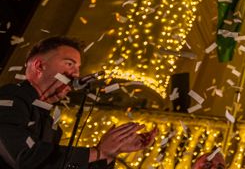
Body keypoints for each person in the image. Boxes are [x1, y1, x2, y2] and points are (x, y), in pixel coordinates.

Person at [0, 36, 156, 168]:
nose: (76, 74)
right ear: (39, 65)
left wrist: (110, 152)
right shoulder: (8, 99)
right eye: (69, 64)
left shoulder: (51, 122)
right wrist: (98, 152)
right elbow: (22, 157)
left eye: (78, 67)